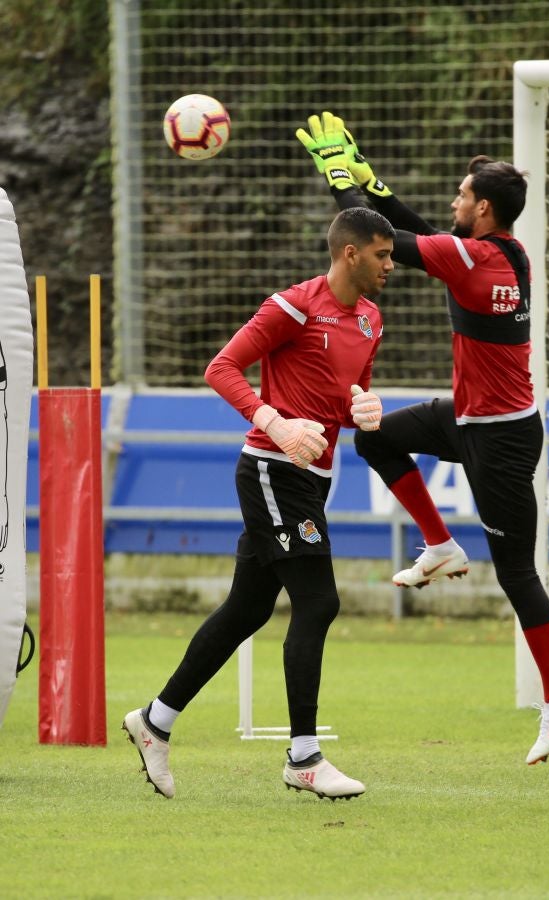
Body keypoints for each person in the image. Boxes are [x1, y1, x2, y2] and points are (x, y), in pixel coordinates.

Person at [296, 112, 549, 766]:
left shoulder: (475, 260)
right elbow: (421, 233)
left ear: (482, 208)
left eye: (461, 195)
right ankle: (438, 543)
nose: (452, 202)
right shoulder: (502, 252)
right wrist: (367, 179)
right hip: (471, 417)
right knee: (373, 437)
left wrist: (342, 185)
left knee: (516, 573)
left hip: (502, 441)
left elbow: (381, 240)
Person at [123, 206, 395, 799]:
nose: (390, 266)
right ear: (350, 253)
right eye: (381, 255)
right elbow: (221, 369)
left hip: (314, 476)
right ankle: (304, 757)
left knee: (247, 610)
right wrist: (273, 421)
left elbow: (350, 392)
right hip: (273, 470)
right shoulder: (292, 305)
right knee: (319, 602)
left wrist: (363, 409)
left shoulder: (372, 319)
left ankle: (155, 721)